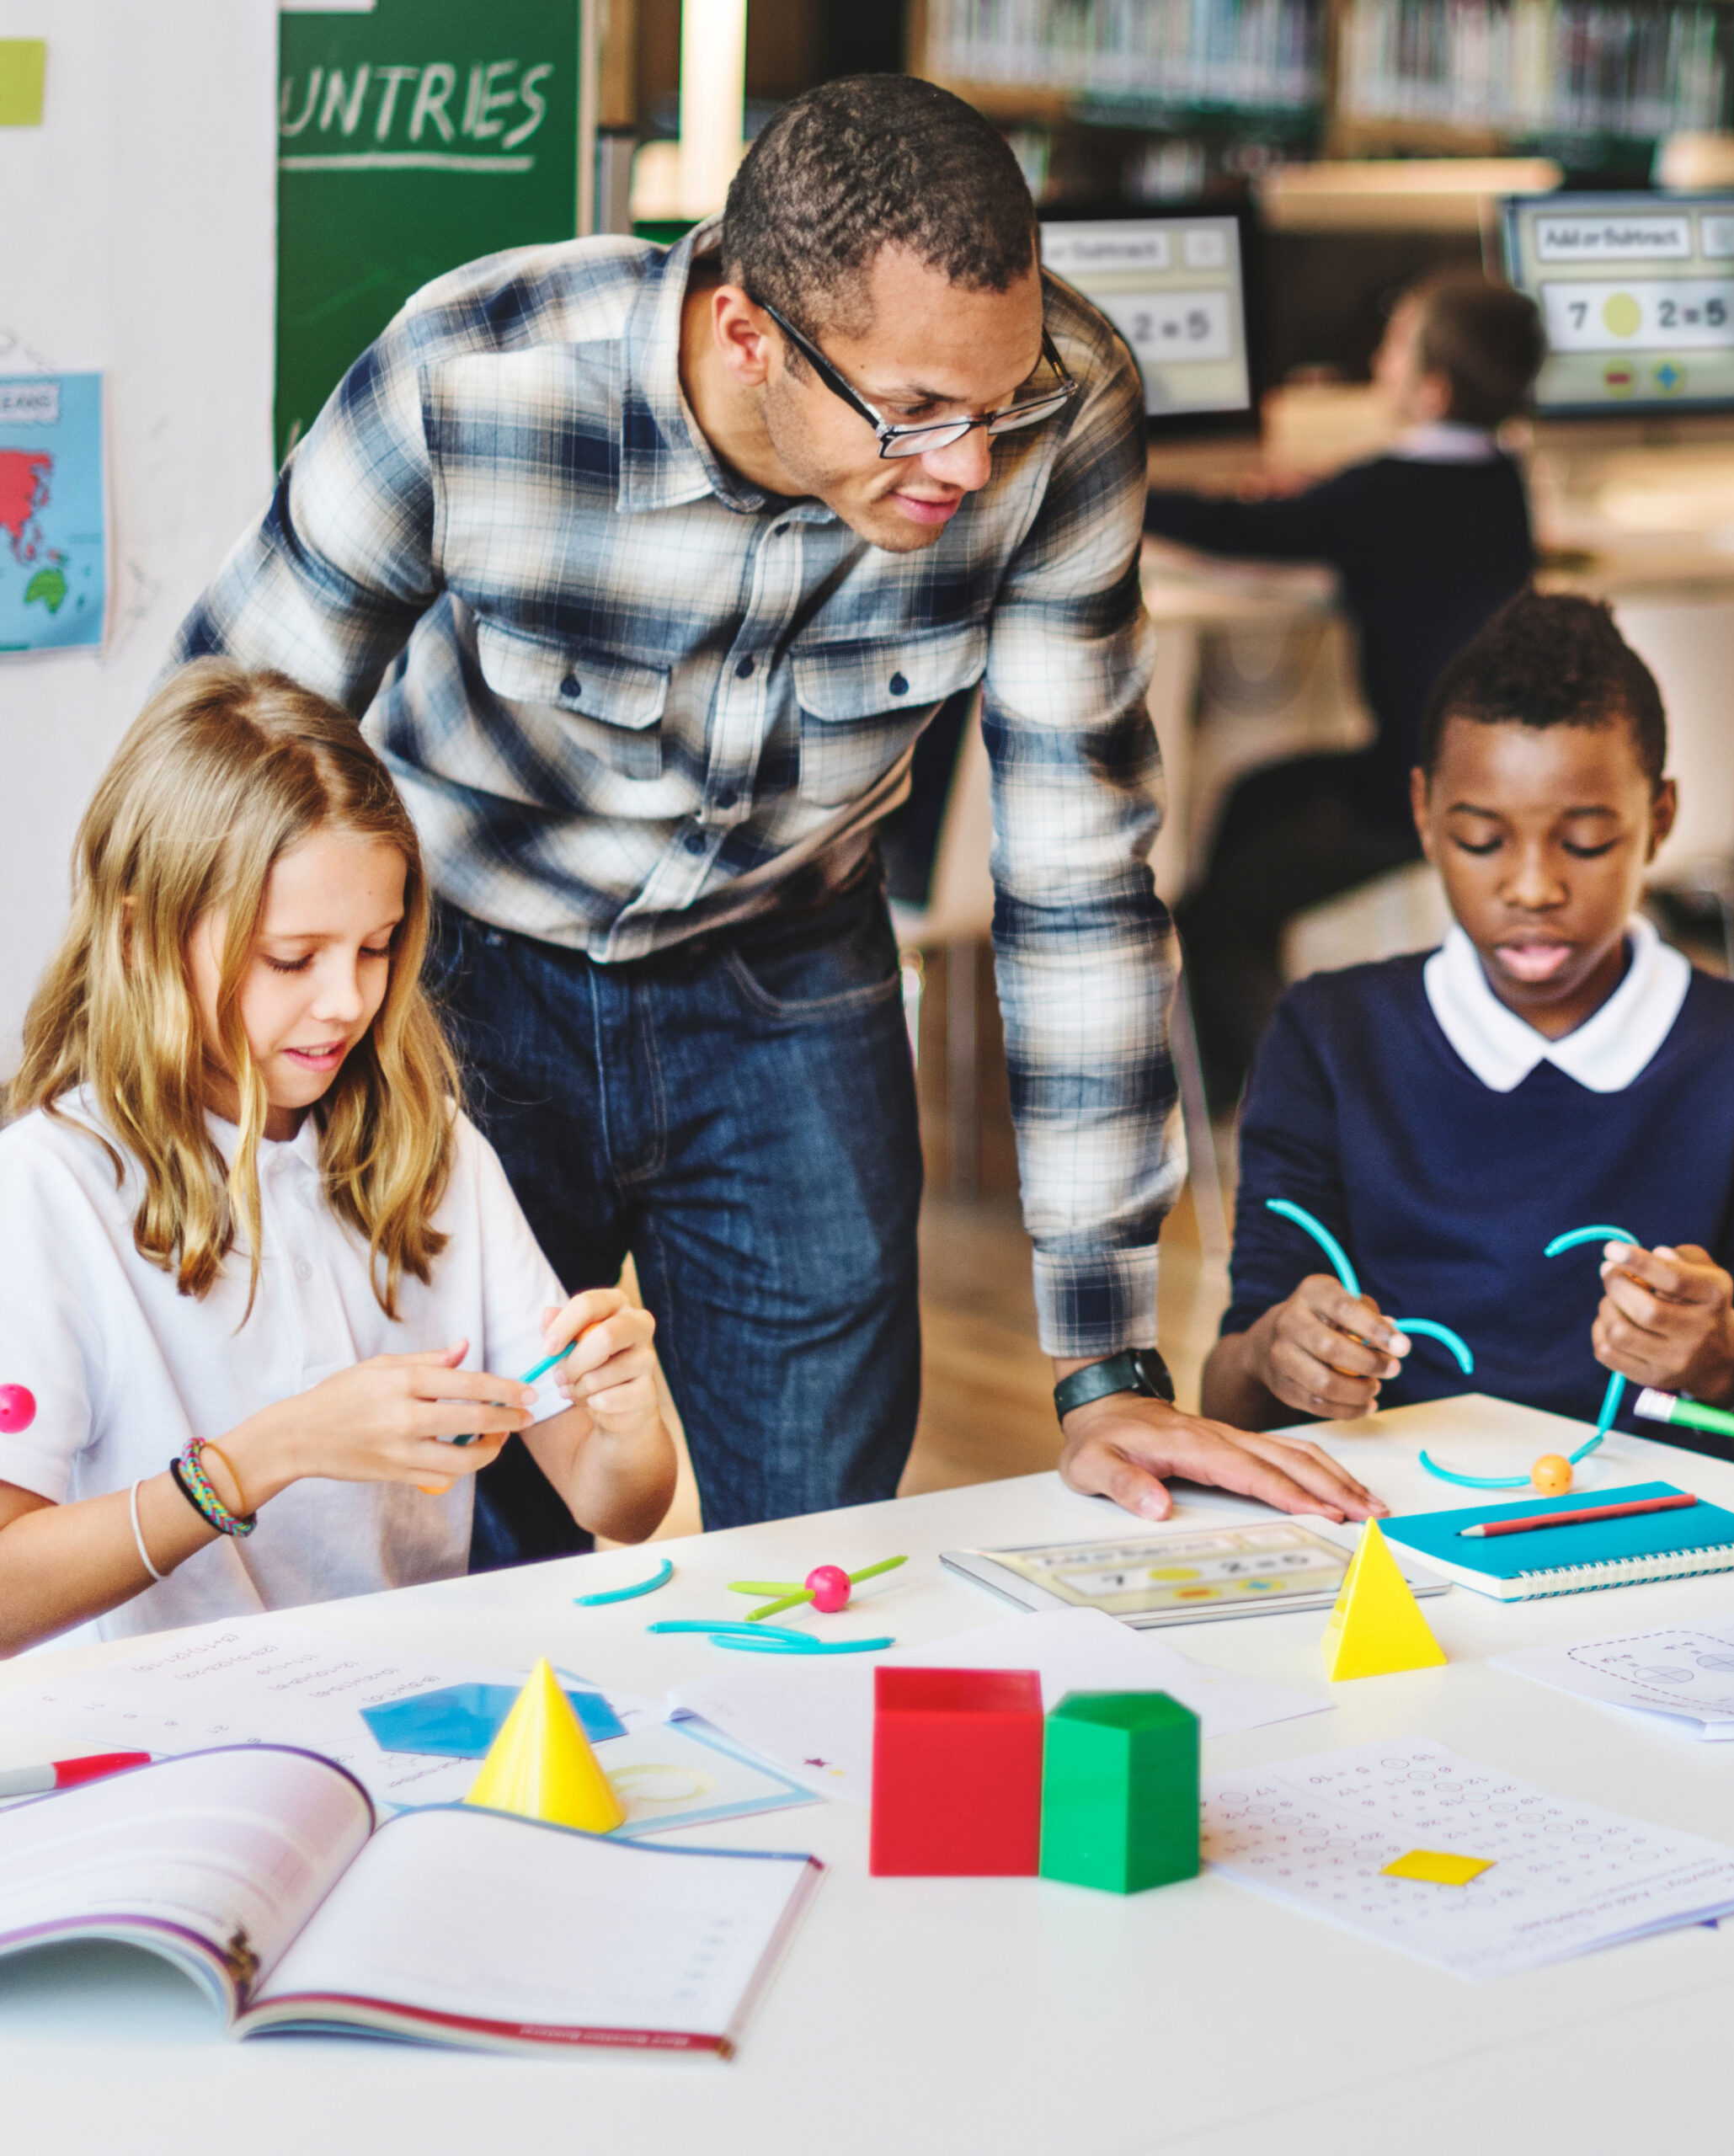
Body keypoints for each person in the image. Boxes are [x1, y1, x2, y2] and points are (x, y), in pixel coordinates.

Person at [172, 73, 1384, 1550]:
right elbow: (215, 766)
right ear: (748, 333)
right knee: (468, 1526)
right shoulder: (476, 373)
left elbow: (1078, 873)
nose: (971, 468)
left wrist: (1102, 1364)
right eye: (918, 412)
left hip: (785, 965)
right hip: (454, 975)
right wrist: (171, 1135)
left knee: (823, 1543)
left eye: (996, 407)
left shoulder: (1065, 411)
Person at [0, 662, 676, 1655]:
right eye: (291, 959)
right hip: (149, 1751)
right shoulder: (47, 1186)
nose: (347, 1002)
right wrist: (275, 1451)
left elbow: (618, 1499)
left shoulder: (431, 1148)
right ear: (143, 940)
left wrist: (628, 1416)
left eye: (377, 947)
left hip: (393, 1713)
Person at [1203, 590, 1734, 1494]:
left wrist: (1732, 1364)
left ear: (1661, 817)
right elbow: (1229, 1393)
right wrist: (1273, 1352)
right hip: (1381, 1534)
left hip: (1660, 1545)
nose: (1532, 886)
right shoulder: (1329, 1036)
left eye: (1585, 840)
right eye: (1481, 840)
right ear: (1423, 814)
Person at [1147, 272, 1545, 1104]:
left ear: (1429, 390)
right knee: (1255, 796)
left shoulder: (1383, 493)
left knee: (1212, 911)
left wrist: (1123, 485)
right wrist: (1324, 497)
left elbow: (1242, 531)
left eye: (1393, 347)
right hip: (1467, 773)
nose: (1375, 358)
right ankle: (1225, 1065)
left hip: (1409, 796)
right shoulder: (1501, 481)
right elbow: (1359, 514)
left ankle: (1290, 1102)